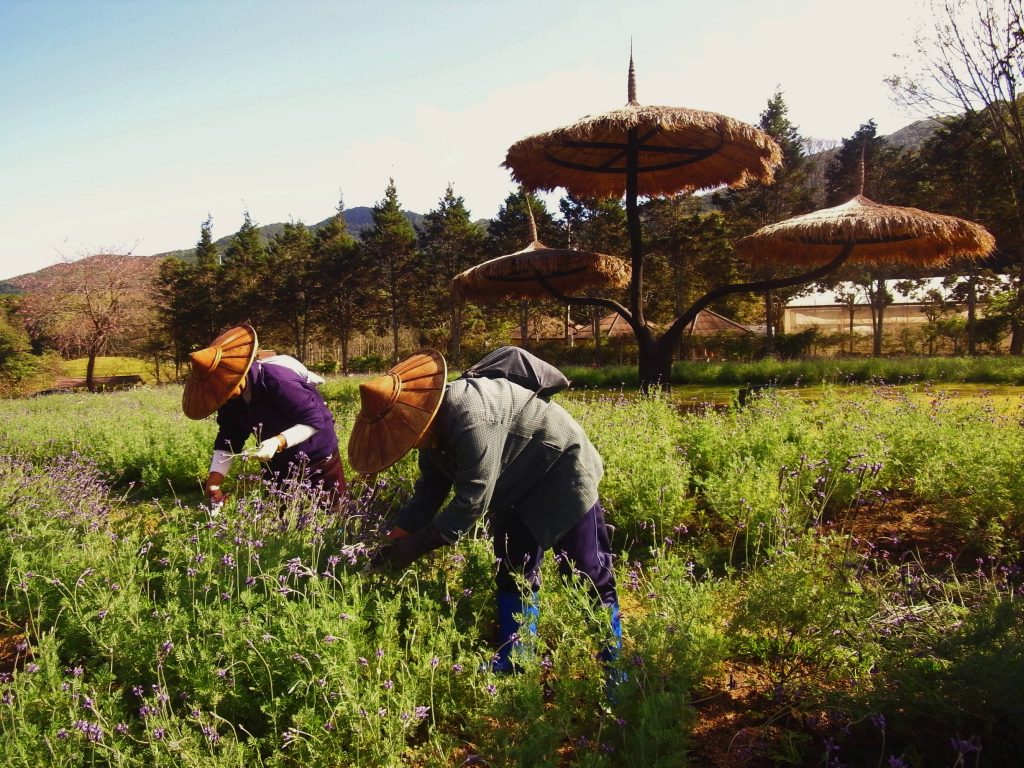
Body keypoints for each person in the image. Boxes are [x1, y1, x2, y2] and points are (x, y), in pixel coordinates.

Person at [347, 348, 622, 676]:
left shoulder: (470, 416)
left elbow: (472, 501)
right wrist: (396, 537)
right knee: (513, 568)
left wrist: (415, 547)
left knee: (586, 573)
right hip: (511, 484)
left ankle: (616, 668)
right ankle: (516, 659)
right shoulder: (430, 437)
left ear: (418, 413)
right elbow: (429, 491)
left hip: (559, 470)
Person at [182, 324, 346, 509]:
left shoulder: (277, 380)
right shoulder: (229, 398)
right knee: (281, 514)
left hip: (317, 456)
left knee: (332, 509)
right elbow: (230, 436)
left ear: (236, 372)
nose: (223, 394)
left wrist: (278, 442)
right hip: (277, 464)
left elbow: (313, 420)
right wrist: (215, 480)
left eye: (224, 387)